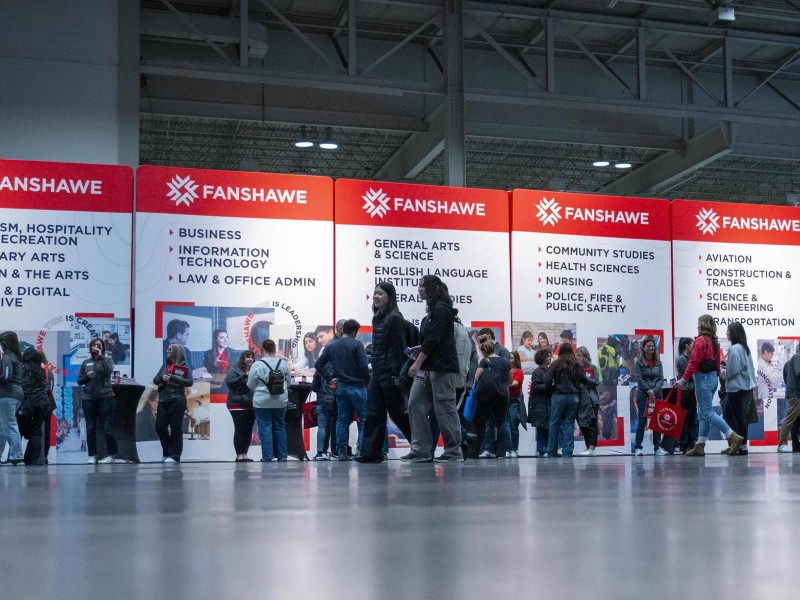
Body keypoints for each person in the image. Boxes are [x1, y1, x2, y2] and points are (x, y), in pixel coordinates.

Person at [403, 275, 463, 463]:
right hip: (428, 367)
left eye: (423, 286)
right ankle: (421, 450)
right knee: (415, 404)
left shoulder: (441, 309)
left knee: (445, 410)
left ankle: (453, 452)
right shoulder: (430, 313)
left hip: (442, 368)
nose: (419, 289)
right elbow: (432, 341)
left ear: (434, 288)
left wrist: (417, 362)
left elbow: (434, 340)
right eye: (419, 286)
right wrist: (420, 351)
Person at [357, 282, 412, 463]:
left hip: (390, 374)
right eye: (374, 293)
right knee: (373, 413)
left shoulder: (394, 318)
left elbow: (399, 348)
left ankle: (421, 447)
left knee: (398, 414)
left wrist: (397, 374)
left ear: (390, 296)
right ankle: (371, 453)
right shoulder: (377, 318)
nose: (376, 297)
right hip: (378, 373)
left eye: (380, 293)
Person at [677, 315, 744, 457]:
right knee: (702, 414)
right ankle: (700, 445)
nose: (697, 325)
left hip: (702, 379)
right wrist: (716, 376)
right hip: (712, 378)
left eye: (698, 323)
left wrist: (683, 380)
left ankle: (732, 436)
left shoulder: (700, 340)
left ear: (702, 324)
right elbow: (717, 363)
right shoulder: (714, 342)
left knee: (707, 412)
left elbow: (693, 362)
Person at [314, 319, 370, 461]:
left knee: (341, 420)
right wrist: (367, 381)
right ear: (354, 332)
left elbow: (318, 365)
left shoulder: (332, 346)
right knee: (363, 420)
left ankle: (341, 451)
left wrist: (330, 378)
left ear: (343, 330)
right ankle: (361, 450)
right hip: (357, 386)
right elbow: (364, 366)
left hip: (340, 387)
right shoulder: (357, 344)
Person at [248, 339, 291, 461]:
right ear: (274, 349)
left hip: (262, 401)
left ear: (263, 349)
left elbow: (250, 384)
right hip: (280, 400)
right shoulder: (282, 363)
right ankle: (282, 456)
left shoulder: (257, 364)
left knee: (265, 427)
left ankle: (267, 456)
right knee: (280, 426)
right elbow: (288, 382)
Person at [470, 334, 511, 459]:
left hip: (487, 397)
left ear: (483, 350)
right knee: (501, 423)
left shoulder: (484, 361)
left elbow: (476, 378)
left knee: (480, 424)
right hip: (503, 396)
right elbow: (510, 380)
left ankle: (475, 451)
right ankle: (501, 453)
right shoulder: (505, 362)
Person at [78, 338, 118, 464]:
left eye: (99, 345)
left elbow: (109, 371)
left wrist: (101, 357)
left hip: (105, 397)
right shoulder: (86, 362)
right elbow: (79, 381)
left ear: (103, 348)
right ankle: (92, 455)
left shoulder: (107, 360)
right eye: (94, 345)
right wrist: (87, 376)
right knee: (90, 428)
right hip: (88, 398)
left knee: (107, 427)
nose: (97, 347)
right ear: (90, 347)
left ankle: (111, 455)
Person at [153, 342, 193, 462]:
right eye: (168, 349)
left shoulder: (184, 366)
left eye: (170, 350)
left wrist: (172, 377)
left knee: (176, 428)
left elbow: (189, 382)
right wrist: (162, 377)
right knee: (160, 427)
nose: (167, 351)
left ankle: (175, 455)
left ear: (176, 352)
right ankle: (167, 452)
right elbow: (155, 380)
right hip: (163, 399)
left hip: (177, 400)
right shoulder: (165, 365)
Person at [544, 343, 584, 458]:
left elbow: (546, 379)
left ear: (560, 351)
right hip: (573, 397)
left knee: (554, 423)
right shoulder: (576, 364)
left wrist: (550, 389)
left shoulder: (556, 363)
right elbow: (583, 378)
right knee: (569, 424)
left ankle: (551, 451)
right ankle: (568, 452)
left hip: (558, 396)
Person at [723, 322, 756, 456]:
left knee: (735, 417)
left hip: (736, 388)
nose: (726, 333)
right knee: (735, 417)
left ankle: (741, 445)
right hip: (744, 387)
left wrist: (722, 372)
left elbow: (732, 370)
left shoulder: (735, 349)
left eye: (728, 331)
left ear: (734, 333)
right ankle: (737, 444)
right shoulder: (744, 348)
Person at [633, 336, 666, 456]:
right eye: (648, 346)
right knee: (642, 421)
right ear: (643, 347)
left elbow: (661, 379)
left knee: (657, 421)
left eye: (652, 346)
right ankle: (638, 448)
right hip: (643, 394)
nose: (651, 348)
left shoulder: (659, 362)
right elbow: (639, 379)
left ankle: (658, 448)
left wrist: (654, 390)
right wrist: (648, 390)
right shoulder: (638, 363)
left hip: (657, 394)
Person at [19, 347, 51, 465]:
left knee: (24, 429)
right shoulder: (42, 369)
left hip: (30, 403)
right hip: (43, 403)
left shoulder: (24, 370)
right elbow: (46, 386)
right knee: (37, 430)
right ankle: (32, 459)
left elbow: (24, 386)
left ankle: (25, 457)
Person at [226, 350, 256, 461]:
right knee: (239, 429)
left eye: (252, 357)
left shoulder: (255, 370)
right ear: (243, 358)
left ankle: (245, 454)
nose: (250, 359)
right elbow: (230, 383)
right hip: (236, 404)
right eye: (248, 357)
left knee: (248, 430)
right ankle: (239, 455)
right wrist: (244, 376)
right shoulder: (234, 369)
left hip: (251, 404)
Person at [0, 331, 24, 465]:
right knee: (4, 426)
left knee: (9, 425)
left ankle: (17, 456)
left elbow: (6, 376)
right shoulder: (17, 357)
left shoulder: (7, 357)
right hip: (15, 394)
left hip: (7, 394)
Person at [576, 346, 600, 457]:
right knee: (583, 424)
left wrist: (585, 379)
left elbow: (596, 382)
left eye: (579, 355)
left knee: (591, 423)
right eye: (576, 355)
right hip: (580, 400)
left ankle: (592, 447)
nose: (577, 357)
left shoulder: (593, 367)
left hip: (592, 399)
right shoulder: (575, 369)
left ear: (585, 356)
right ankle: (588, 447)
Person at [528, 348, 552, 457]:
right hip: (539, 404)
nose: (550, 358)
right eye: (548, 356)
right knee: (541, 427)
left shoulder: (549, 371)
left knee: (547, 426)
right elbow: (536, 387)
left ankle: (547, 448)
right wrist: (550, 386)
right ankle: (542, 450)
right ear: (543, 358)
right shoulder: (537, 372)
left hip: (548, 403)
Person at [675, 337, 697, 454]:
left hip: (690, 391)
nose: (694, 347)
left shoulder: (688, 359)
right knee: (686, 419)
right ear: (687, 346)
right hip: (686, 392)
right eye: (692, 344)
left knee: (691, 419)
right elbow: (689, 376)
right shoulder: (682, 359)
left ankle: (690, 443)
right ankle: (685, 445)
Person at [778, 350, 800, 452]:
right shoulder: (797, 357)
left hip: (794, 394)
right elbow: (798, 372)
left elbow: (786, 378)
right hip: (796, 395)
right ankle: (781, 443)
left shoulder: (789, 362)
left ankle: (792, 445)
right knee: (790, 419)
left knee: (793, 420)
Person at [505, 351, 524, 457]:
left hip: (514, 402)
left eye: (511, 358)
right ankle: (508, 449)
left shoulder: (519, 371)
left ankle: (514, 449)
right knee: (505, 426)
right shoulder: (506, 370)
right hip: (504, 400)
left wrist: (503, 384)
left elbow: (514, 384)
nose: (509, 360)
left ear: (516, 360)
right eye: (508, 358)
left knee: (513, 426)